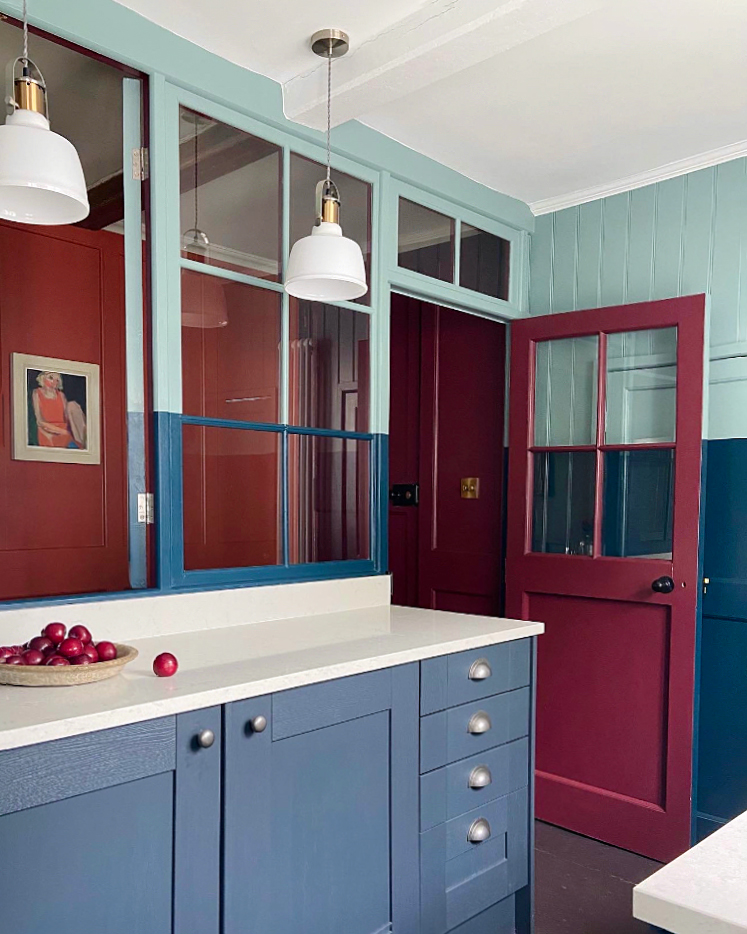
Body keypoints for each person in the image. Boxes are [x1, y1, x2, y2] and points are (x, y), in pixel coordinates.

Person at [31, 371, 86, 450]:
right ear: (42, 378)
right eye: (51, 378)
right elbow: (40, 421)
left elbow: (67, 417)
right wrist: (63, 431)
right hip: (48, 432)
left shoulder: (61, 395)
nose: (54, 382)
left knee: (73, 405)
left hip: (65, 431)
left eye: (57, 380)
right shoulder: (37, 393)